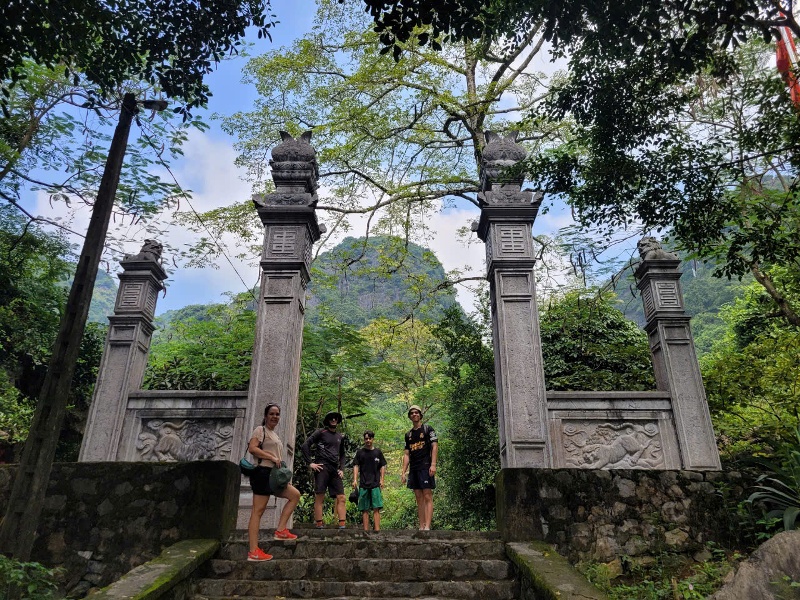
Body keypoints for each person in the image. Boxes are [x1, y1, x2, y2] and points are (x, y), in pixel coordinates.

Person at [245, 403, 301, 562]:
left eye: (277, 414)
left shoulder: (274, 434)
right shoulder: (260, 430)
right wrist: (272, 457)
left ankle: (281, 529)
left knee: (295, 495)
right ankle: (253, 550)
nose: (275, 416)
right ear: (265, 415)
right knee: (258, 511)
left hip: (274, 475)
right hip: (262, 472)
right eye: (272, 414)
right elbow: (252, 448)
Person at [301, 410, 347, 529]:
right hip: (322, 467)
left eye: (335, 418)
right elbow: (305, 445)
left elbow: (342, 454)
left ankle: (342, 524)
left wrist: (342, 469)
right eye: (331, 418)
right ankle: (319, 523)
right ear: (327, 420)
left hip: (334, 469)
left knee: (341, 497)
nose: (333, 420)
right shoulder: (320, 432)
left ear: (338, 420)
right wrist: (310, 463)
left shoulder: (339, 436)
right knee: (320, 495)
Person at [400, 404, 438, 530]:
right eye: (412, 413)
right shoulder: (408, 435)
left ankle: (428, 526)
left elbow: (434, 446)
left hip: (426, 466)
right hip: (414, 468)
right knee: (418, 497)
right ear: (410, 416)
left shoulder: (428, 429)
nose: (414, 414)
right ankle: (421, 526)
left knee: (427, 494)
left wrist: (433, 464)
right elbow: (406, 454)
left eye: (416, 412)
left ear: (420, 415)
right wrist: (403, 472)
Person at [352, 430, 387, 531]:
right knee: (364, 509)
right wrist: (355, 479)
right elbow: (355, 465)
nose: (368, 440)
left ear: (373, 439)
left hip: (375, 484)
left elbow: (383, 465)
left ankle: (377, 530)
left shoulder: (378, 452)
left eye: (369, 438)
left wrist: (382, 479)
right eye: (366, 438)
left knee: (376, 508)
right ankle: (366, 530)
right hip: (363, 484)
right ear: (364, 440)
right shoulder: (360, 452)